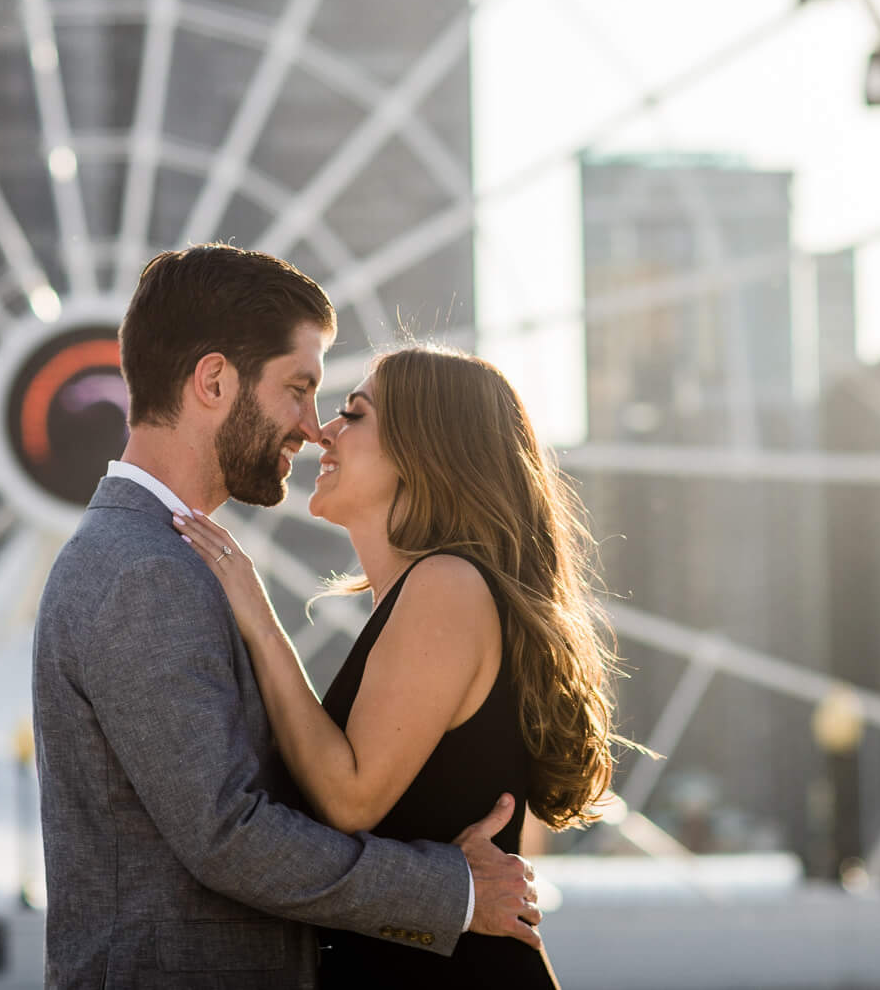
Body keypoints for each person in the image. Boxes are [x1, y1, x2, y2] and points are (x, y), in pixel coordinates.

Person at [32, 245, 543, 989]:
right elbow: (228, 834)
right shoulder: (146, 572)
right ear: (213, 380)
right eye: (299, 389)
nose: (312, 429)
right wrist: (453, 892)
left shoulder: (169, 560)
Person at [175, 342, 620, 988]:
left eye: (354, 415)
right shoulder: (431, 594)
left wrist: (260, 620)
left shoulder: (446, 587)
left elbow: (350, 797)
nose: (323, 429)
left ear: (424, 450)